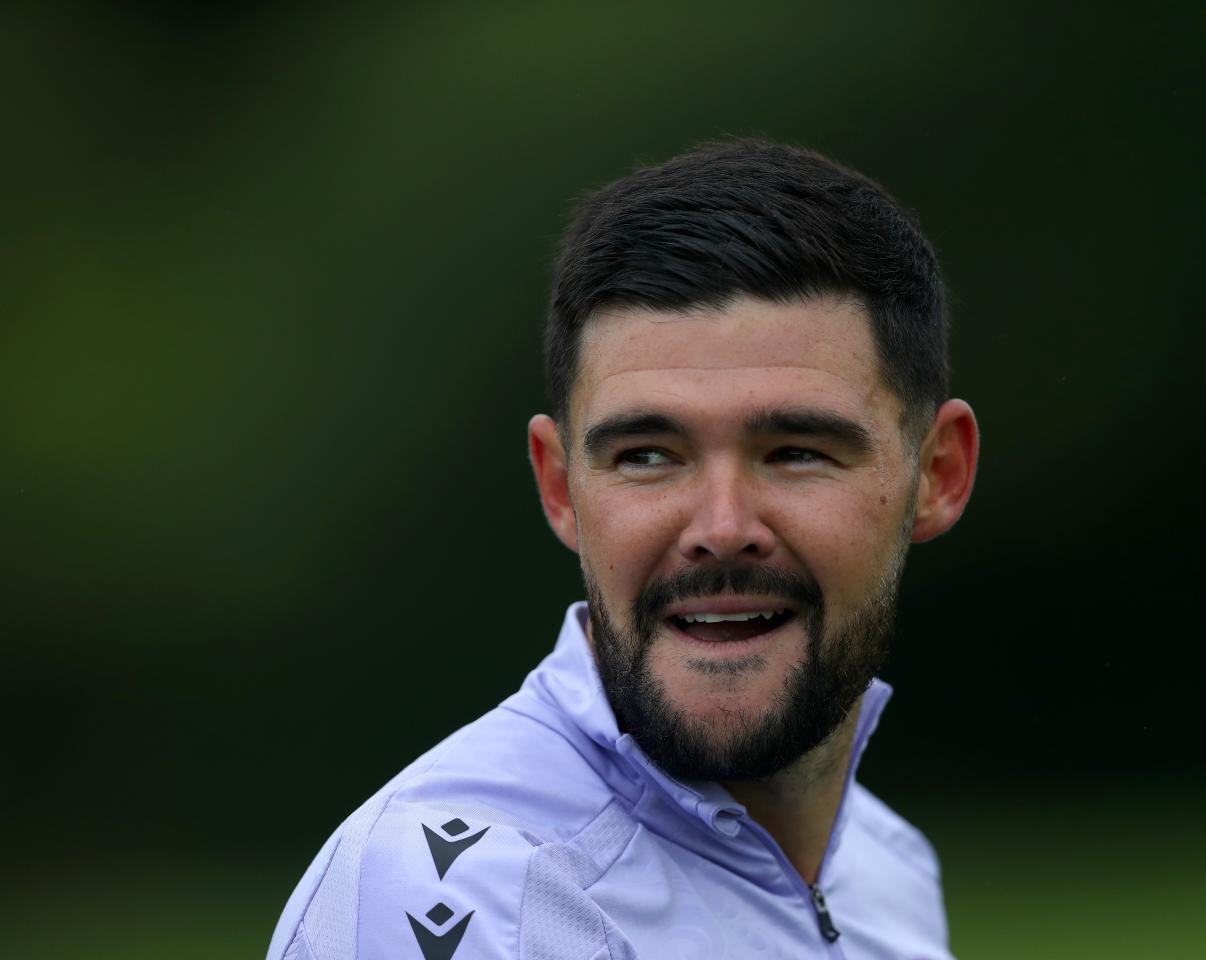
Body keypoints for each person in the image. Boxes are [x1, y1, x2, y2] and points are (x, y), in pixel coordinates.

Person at [266, 139, 979, 960]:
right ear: (561, 487)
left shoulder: (888, 872)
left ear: (937, 472)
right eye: (647, 455)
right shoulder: (465, 889)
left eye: (796, 451)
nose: (720, 525)